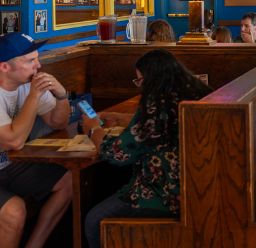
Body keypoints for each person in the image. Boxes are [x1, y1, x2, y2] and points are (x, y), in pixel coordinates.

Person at [83, 49, 212, 248]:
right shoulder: (198, 92)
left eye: (140, 80)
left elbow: (117, 153)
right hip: (199, 187)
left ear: (152, 80)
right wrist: (125, 118)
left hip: (164, 194)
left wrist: (94, 130)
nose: (139, 86)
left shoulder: (156, 106)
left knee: (94, 220)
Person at [0, 33, 72, 248]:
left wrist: (61, 96)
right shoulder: (28, 89)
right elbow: (13, 142)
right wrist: (34, 95)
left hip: (9, 165)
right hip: (10, 156)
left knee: (69, 181)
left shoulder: (25, 84)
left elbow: (57, 122)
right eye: (31, 61)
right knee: (15, 211)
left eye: (37, 59)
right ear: (5, 67)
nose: (38, 66)